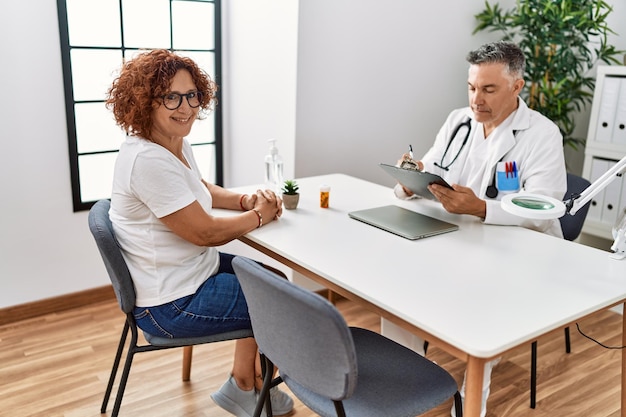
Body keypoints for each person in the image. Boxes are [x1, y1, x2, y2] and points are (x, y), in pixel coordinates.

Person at [105, 49, 294, 417]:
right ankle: (248, 386)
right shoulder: (147, 160)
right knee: (281, 303)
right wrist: (259, 216)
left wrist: (243, 201)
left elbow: (200, 189)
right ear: (144, 101)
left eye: (191, 95)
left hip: (189, 274)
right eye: (171, 97)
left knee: (273, 280)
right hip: (171, 302)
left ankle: (243, 381)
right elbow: (204, 232)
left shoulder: (174, 144)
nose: (186, 106)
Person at [383, 41, 567, 417]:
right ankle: (405, 382)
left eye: (488, 89)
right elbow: (432, 168)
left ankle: (469, 404)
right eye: (471, 87)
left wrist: (483, 208)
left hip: (517, 251)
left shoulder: (542, 135)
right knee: (396, 287)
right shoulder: (458, 121)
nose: (475, 100)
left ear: (518, 87)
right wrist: (409, 179)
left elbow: (544, 210)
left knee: (480, 307)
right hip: (457, 238)